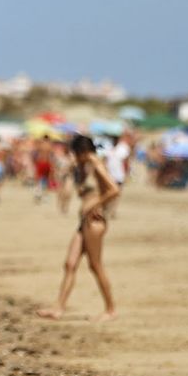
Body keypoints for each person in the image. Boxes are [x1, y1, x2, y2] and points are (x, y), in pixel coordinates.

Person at [38, 134, 120, 322]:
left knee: (95, 265)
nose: (74, 156)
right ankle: (58, 308)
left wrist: (97, 204)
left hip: (95, 223)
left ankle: (110, 309)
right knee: (70, 263)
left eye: (75, 153)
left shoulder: (96, 164)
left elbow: (114, 189)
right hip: (84, 222)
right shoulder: (83, 166)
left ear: (82, 151)